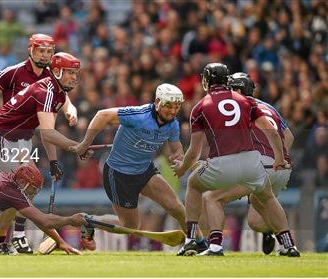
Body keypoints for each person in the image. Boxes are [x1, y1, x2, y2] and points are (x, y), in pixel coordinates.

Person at [0, 51, 88, 254]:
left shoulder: (57, 93)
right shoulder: (47, 92)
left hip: (12, 141)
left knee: (29, 185)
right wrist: (75, 147)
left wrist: (54, 161)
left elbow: (47, 129)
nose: (74, 77)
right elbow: (48, 134)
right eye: (70, 73)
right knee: (20, 188)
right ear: (56, 71)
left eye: (76, 73)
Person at [172, 63, 299, 256]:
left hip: (223, 163)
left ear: (206, 81)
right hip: (253, 162)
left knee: (199, 188)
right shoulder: (248, 102)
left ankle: (200, 242)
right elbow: (274, 133)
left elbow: (194, 151)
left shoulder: (200, 107)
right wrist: (280, 157)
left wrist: (183, 168)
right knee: (267, 198)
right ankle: (289, 245)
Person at [70, 84, 202, 251]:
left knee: (176, 207)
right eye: (168, 105)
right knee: (130, 226)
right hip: (119, 175)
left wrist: (178, 156)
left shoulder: (173, 123)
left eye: (176, 107)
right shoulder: (138, 115)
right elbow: (102, 116)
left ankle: (198, 244)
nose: (172, 111)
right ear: (157, 102)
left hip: (145, 171)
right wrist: (84, 144)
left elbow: (176, 147)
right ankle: (89, 221)